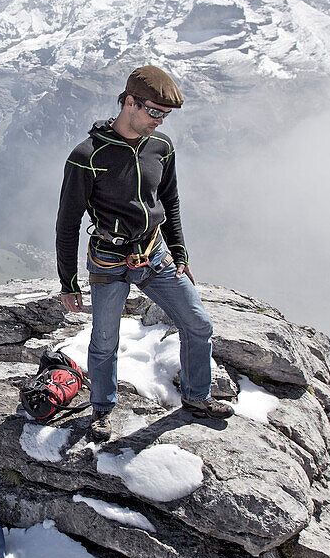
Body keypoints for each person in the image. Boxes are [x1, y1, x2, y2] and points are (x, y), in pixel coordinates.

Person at [55, 66, 234, 441]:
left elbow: (169, 199)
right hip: (109, 259)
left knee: (199, 324)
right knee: (104, 341)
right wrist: (68, 283)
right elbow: (67, 223)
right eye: (153, 111)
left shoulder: (161, 147)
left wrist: (181, 253)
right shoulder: (88, 155)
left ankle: (197, 398)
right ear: (129, 102)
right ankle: (102, 409)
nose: (158, 121)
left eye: (163, 115)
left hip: (154, 254)